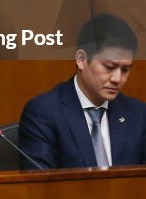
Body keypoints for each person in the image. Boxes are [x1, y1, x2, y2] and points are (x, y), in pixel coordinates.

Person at [19, 13, 146, 169]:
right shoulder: (44, 113)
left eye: (125, 69)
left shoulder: (138, 114)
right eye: (109, 67)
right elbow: (41, 187)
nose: (117, 78)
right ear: (82, 60)